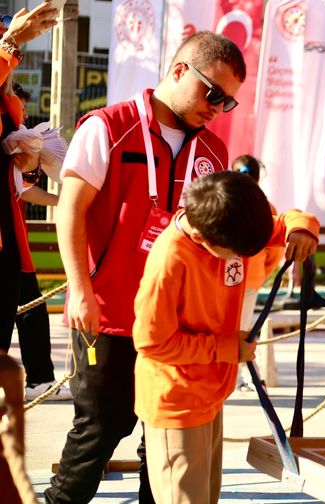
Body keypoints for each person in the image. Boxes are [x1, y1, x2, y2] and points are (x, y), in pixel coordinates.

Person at [47, 32, 247, 503]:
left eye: (228, 102)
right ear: (179, 71)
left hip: (176, 328)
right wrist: (78, 289)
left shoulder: (214, 152)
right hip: (108, 316)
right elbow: (70, 210)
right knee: (99, 429)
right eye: (212, 93)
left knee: (162, 442)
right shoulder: (108, 127)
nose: (217, 108)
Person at [133, 171, 318, 503]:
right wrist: (226, 348)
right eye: (241, 252)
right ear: (206, 239)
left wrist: (301, 228)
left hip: (210, 392)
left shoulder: (230, 222)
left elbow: (287, 220)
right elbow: (151, 342)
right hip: (176, 400)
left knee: (206, 497)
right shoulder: (170, 260)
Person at [1, 4, 60, 359]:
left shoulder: (11, 105)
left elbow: (17, 179)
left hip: (8, 243)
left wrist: (31, 163)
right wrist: (10, 42)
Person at [8, 80, 70, 400]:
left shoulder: (16, 137)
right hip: (9, 244)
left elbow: (22, 185)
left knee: (30, 307)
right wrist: (62, 201)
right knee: (29, 308)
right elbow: (24, 188)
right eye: (19, 104)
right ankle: (40, 379)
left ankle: (40, 378)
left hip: (13, 240)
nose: (23, 111)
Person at [230, 154, 284, 392]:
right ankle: (245, 375)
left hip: (226, 277)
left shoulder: (225, 200)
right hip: (248, 277)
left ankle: (242, 375)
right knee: (243, 328)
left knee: (233, 329)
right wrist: (262, 270)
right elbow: (276, 249)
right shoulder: (265, 205)